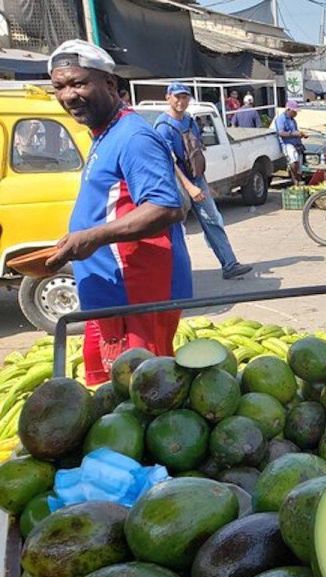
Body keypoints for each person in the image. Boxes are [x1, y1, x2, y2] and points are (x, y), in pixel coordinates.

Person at [44, 40, 191, 385]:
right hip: (110, 297)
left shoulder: (133, 136)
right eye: (60, 87)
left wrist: (93, 236)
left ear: (110, 84)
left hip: (137, 296)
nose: (68, 96)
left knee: (143, 397)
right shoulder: (104, 134)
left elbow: (166, 206)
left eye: (79, 83)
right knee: (108, 394)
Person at [155, 83, 252, 280]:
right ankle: (175, 274)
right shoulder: (163, 127)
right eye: (177, 97)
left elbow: (196, 153)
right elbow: (169, 162)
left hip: (197, 180)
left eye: (185, 97)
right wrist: (189, 187)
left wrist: (203, 184)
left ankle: (230, 264)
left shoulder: (190, 121)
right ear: (168, 98)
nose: (181, 101)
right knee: (177, 229)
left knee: (213, 220)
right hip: (177, 184)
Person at [275, 100, 308, 184]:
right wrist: (293, 133)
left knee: (299, 164)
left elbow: (296, 132)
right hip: (287, 144)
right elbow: (281, 133)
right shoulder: (281, 119)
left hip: (296, 143)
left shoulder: (293, 120)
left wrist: (301, 135)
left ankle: (298, 179)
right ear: (289, 110)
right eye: (294, 112)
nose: (296, 114)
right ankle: (295, 180)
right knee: (293, 161)